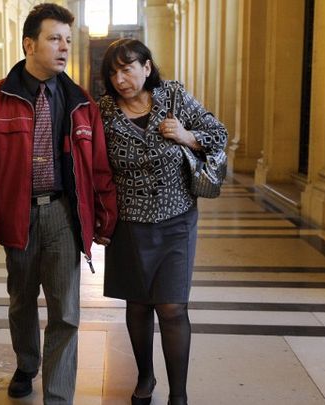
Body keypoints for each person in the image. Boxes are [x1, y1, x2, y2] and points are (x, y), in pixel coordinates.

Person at [0, 3, 118, 404]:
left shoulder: (81, 101)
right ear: (28, 44)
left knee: (66, 310)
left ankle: (57, 395)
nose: (64, 48)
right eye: (54, 39)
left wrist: (104, 218)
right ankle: (27, 363)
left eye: (68, 40)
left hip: (63, 214)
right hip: (15, 214)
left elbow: (98, 167)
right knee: (20, 301)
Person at [98, 39, 227, 405]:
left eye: (127, 68)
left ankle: (179, 395)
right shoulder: (103, 111)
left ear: (147, 67)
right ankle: (144, 377)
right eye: (113, 72)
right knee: (138, 305)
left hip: (176, 219)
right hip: (129, 224)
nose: (121, 79)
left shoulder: (173, 97)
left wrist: (187, 136)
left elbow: (219, 134)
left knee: (172, 308)